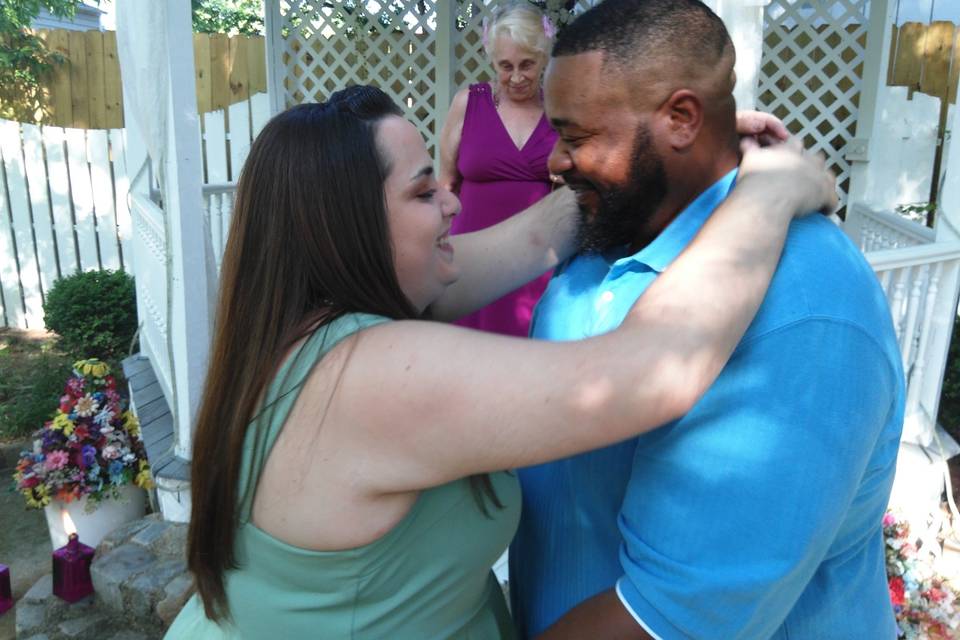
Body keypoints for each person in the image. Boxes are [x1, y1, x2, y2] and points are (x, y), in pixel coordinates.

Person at [164, 85, 835, 639]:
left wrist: (652, 154)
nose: (453, 201)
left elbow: (538, 238)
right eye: (425, 192)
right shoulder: (366, 378)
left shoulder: (291, 328)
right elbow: (650, 372)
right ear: (350, 229)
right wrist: (770, 194)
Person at [508, 1, 906, 639]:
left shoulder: (804, 307)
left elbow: (666, 621)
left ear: (682, 119)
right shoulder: (612, 227)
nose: (554, 160)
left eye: (575, 136)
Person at [437, 2, 558, 336]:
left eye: (527, 65)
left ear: (543, 57)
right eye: (505, 66)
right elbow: (445, 183)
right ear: (491, 59)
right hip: (471, 261)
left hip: (536, 260)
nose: (516, 77)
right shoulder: (468, 103)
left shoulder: (560, 109)